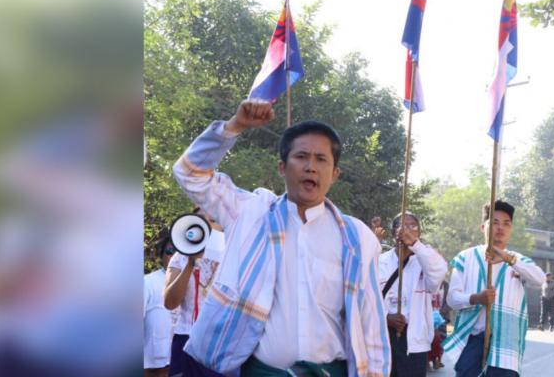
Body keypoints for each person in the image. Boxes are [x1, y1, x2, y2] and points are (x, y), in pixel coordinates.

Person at [172, 99, 391, 376]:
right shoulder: (250, 213)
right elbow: (189, 173)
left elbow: (371, 323)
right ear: (281, 167)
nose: (310, 167)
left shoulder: (358, 238)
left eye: (321, 159)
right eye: (301, 156)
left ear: (335, 174)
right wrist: (234, 126)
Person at [443, 201, 546, 377]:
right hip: (472, 338)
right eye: (495, 222)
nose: (500, 228)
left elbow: (540, 279)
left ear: (511, 229)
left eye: (506, 223)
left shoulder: (517, 261)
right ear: (483, 227)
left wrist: (508, 258)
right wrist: (476, 298)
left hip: (506, 344)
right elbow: (452, 299)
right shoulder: (465, 258)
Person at [379, 212, 447, 376]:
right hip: (383, 338)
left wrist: (415, 245)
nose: (407, 230)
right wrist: (385, 317)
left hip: (415, 342)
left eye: (413, 226)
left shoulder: (426, 259)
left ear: (419, 233)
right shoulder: (380, 261)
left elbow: (439, 272)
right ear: (394, 232)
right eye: (402, 226)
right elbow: (368, 298)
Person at [163, 209, 225, 377]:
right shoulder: (180, 257)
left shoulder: (232, 255)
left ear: (222, 226)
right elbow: (170, 302)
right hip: (186, 337)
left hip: (219, 339)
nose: (206, 225)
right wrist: (191, 263)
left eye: (212, 220)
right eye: (200, 220)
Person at [145, 230, 175, 377]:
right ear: (160, 255)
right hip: (154, 366)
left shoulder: (199, 283)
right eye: (170, 251)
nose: (175, 257)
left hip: (182, 360)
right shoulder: (147, 282)